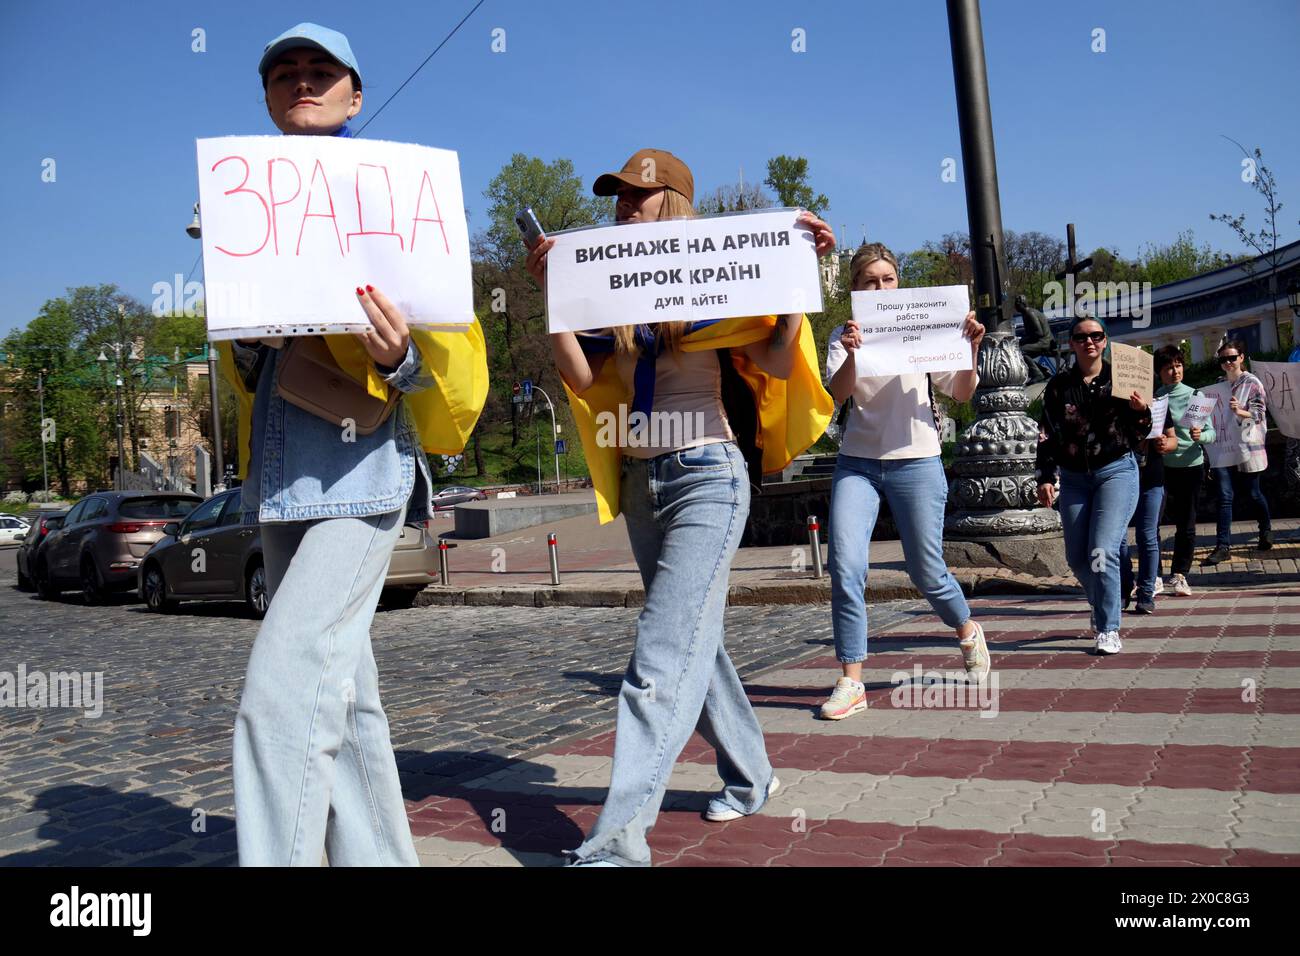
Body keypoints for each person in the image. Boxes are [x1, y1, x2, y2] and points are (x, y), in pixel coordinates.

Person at [217, 23, 487, 866]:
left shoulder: (393, 195)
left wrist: (401, 356)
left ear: (354, 93)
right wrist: (248, 331)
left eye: (320, 70)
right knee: (346, 702)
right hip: (280, 475)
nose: (302, 81)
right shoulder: (241, 199)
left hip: (362, 474)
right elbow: (241, 371)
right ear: (266, 94)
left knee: (281, 691)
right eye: (285, 72)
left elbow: (450, 353)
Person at [525, 148, 835, 866]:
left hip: (706, 475)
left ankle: (616, 843)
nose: (624, 206)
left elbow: (785, 362)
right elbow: (578, 373)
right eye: (618, 197)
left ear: (676, 203)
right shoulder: (613, 286)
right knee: (700, 644)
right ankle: (752, 775)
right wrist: (555, 296)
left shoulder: (717, 271)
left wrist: (800, 272)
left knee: (659, 659)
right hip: (641, 485)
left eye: (640, 194)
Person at [820, 243, 990, 721]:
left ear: (899, 283)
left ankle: (966, 630)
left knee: (925, 569)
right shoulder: (842, 334)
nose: (880, 287)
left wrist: (970, 350)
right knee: (846, 567)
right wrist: (852, 353)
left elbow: (958, 392)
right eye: (870, 281)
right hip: (858, 462)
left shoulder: (923, 324)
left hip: (916, 460)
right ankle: (852, 681)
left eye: (888, 279)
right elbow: (838, 393)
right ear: (855, 288)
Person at [1036, 316, 1150, 655]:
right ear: (1071, 343)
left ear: (1105, 340)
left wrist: (1141, 411)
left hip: (1116, 471)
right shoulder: (1059, 386)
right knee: (1076, 558)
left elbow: (1143, 433)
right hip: (1073, 478)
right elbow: (1047, 434)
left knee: (1102, 550)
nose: (1089, 342)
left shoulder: (1124, 376)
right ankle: (1101, 599)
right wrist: (1044, 476)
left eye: (1096, 336)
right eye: (1081, 337)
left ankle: (1108, 627)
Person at [1202, 338, 1271, 563]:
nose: (1228, 363)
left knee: (1253, 493)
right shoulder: (1217, 385)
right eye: (1223, 359)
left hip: (1249, 444)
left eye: (1232, 358)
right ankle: (1223, 546)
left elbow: (1260, 414)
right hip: (1223, 446)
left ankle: (1265, 529)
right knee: (1224, 496)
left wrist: (1241, 411)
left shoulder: (1252, 382)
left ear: (1241, 357)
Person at [1153, 345, 1214, 596]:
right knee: (1152, 523)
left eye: (1178, 365)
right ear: (1159, 372)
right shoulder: (1155, 396)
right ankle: (1153, 575)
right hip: (1162, 467)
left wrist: (1201, 436)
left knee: (1186, 524)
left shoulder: (1194, 395)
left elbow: (1211, 433)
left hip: (1191, 466)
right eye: (1169, 367)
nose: (1175, 371)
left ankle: (1180, 575)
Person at [1119, 394, 1175, 614]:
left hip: (1152, 479)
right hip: (1120, 480)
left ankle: (1146, 592)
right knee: (1118, 538)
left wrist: (1165, 443)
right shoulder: (1115, 404)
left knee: (1147, 535)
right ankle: (1123, 589)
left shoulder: (1157, 404)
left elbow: (1173, 439)